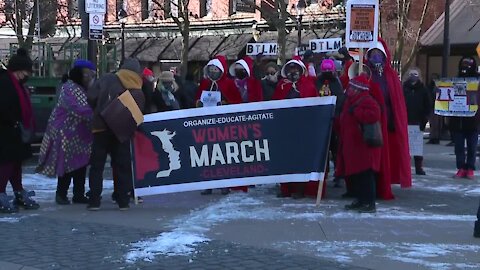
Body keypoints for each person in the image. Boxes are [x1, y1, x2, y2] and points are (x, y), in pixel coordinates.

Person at [87, 58, 145, 210]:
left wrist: (98, 110)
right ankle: (123, 201)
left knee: (97, 166)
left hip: (101, 127)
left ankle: (94, 201)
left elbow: (91, 97)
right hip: (121, 130)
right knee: (122, 165)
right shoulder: (138, 85)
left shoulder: (107, 78)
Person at [36, 60, 96, 205]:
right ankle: (61, 194)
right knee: (68, 165)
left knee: (81, 164)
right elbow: (78, 108)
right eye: (89, 75)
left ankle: (78, 194)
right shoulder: (70, 88)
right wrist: (96, 113)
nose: (91, 78)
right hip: (66, 133)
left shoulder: (80, 88)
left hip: (80, 133)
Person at [366, 38, 410, 191]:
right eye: (373, 54)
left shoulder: (391, 76)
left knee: (386, 156)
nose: (376, 57)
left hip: (388, 124)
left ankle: (384, 184)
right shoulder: (365, 74)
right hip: (371, 123)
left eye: (379, 54)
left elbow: (397, 102)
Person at [272, 57, 319, 199]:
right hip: (285, 129)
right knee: (285, 160)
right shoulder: (282, 86)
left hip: (302, 130)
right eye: (291, 69)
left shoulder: (308, 86)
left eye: (296, 69)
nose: (293, 72)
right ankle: (285, 187)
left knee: (300, 160)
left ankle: (300, 189)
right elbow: (275, 104)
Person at [0, 48, 39, 213]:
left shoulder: (16, 84)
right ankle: (2, 193)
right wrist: (13, 120)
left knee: (16, 163)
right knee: (6, 163)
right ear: (17, 71)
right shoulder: (5, 83)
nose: (26, 76)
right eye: (25, 72)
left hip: (16, 130)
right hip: (7, 131)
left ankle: (18, 190)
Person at [337, 74, 382, 213]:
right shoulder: (350, 100)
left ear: (358, 89)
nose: (349, 89)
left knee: (365, 176)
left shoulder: (366, 100)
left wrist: (356, 112)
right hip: (353, 145)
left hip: (362, 145)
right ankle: (361, 200)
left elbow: (374, 115)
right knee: (357, 175)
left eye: (352, 87)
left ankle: (369, 202)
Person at [196, 55, 236, 195]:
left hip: (223, 124)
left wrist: (226, 104)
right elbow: (198, 98)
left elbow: (235, 100)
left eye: (215, 69)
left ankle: (225, 183)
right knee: (208, 154)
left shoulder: (228, 84)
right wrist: (199, 104)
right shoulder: (205, 84)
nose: (213, 71)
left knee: (223, 154)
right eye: (211, 69)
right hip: (207, 123)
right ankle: (209, 183)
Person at [449, 57, 479, 179]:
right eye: (463, 65)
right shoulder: (455, 81)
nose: (465, 68)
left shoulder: (478, 82)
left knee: (472, 147)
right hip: (458, 120)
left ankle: (470, 169)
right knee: (459, 147)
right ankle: (461, 168)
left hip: (473, 120)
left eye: (468, 65)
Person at [402, 68, 431, 175]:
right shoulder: (404, 88)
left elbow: (428, 105)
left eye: (415, 74)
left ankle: (419, 168)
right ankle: (406, 168)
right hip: (405, 121)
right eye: (411, 74)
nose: (413, 76)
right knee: (406, 147)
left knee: (417, 147)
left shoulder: (423, 89)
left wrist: (424, 120)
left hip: (418, 122)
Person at [427, 73, 441, 144]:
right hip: (432, 106)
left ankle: (435, 137)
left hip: (436, 106)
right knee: (432, 124)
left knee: (435, 124)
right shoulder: (429, 87)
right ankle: (433, 137)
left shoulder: (437, 87)